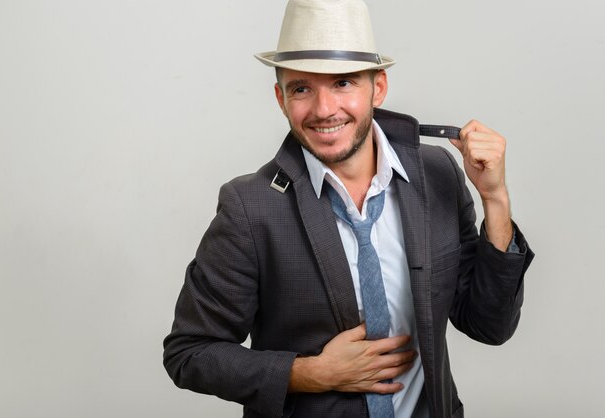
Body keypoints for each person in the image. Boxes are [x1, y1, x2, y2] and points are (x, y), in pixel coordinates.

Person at [163, 0, 534, 417]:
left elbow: (490, 324)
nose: (324, 110)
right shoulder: (250, 208)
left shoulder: (438, 174)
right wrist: (308, 373)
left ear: (378, 87)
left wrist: (495, 198)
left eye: (343, 83)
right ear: (280, 98)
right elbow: (189, 353)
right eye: (302, 88)